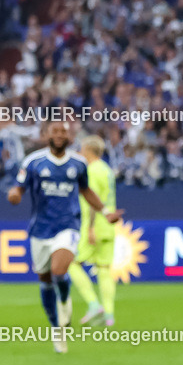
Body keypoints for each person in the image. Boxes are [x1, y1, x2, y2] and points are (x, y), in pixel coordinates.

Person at [6, 122, 123, 353]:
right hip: (40, 229)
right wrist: (14, 195)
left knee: (60, 270)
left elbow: (86, 191)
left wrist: (105, 212)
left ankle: (65, 301)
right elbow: (19, 187)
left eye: (63, 132)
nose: (59, 135)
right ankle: (56, 330)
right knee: (45, 280)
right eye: (55, 131)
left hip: (68, 226)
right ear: (46, 135)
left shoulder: (78, 163)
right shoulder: (33, 162)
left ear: (69, 136)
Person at [68, 135, 118, 327]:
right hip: (109, 225)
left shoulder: (92, 170)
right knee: (104, 270)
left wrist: (89, 228)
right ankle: (109, 315)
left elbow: (93, 201)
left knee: (72, 263)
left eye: (82, 148)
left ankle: (93, 303)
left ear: (88, 149)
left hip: (95, 225)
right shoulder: (107, 170)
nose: (80, 152)